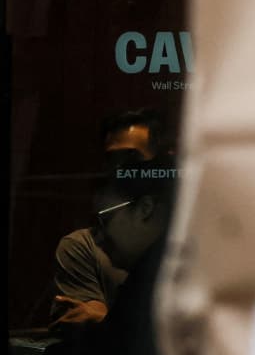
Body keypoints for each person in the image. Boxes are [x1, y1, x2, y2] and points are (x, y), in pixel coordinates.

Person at [80, 154, 181, 355]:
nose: (97, 237)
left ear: (146, 209)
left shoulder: (155, 281)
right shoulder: (169, 270)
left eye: (104, 220)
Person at [50, 109, 168, 329]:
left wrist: (107, 319)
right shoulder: (84, 245)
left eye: (131, 158)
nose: (119, 168)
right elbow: (86, 319)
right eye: (113, 159)